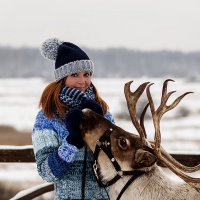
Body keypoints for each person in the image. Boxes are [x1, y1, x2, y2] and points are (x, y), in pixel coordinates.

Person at [32, 38, 115, 199]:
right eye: (74, 75)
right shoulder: (47, 117)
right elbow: (47, 172)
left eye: (87, 74)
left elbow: (115, 161)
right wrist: (71, 142)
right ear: (62, 78)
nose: (82, 81)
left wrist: (100, 126)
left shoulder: (103, 112)